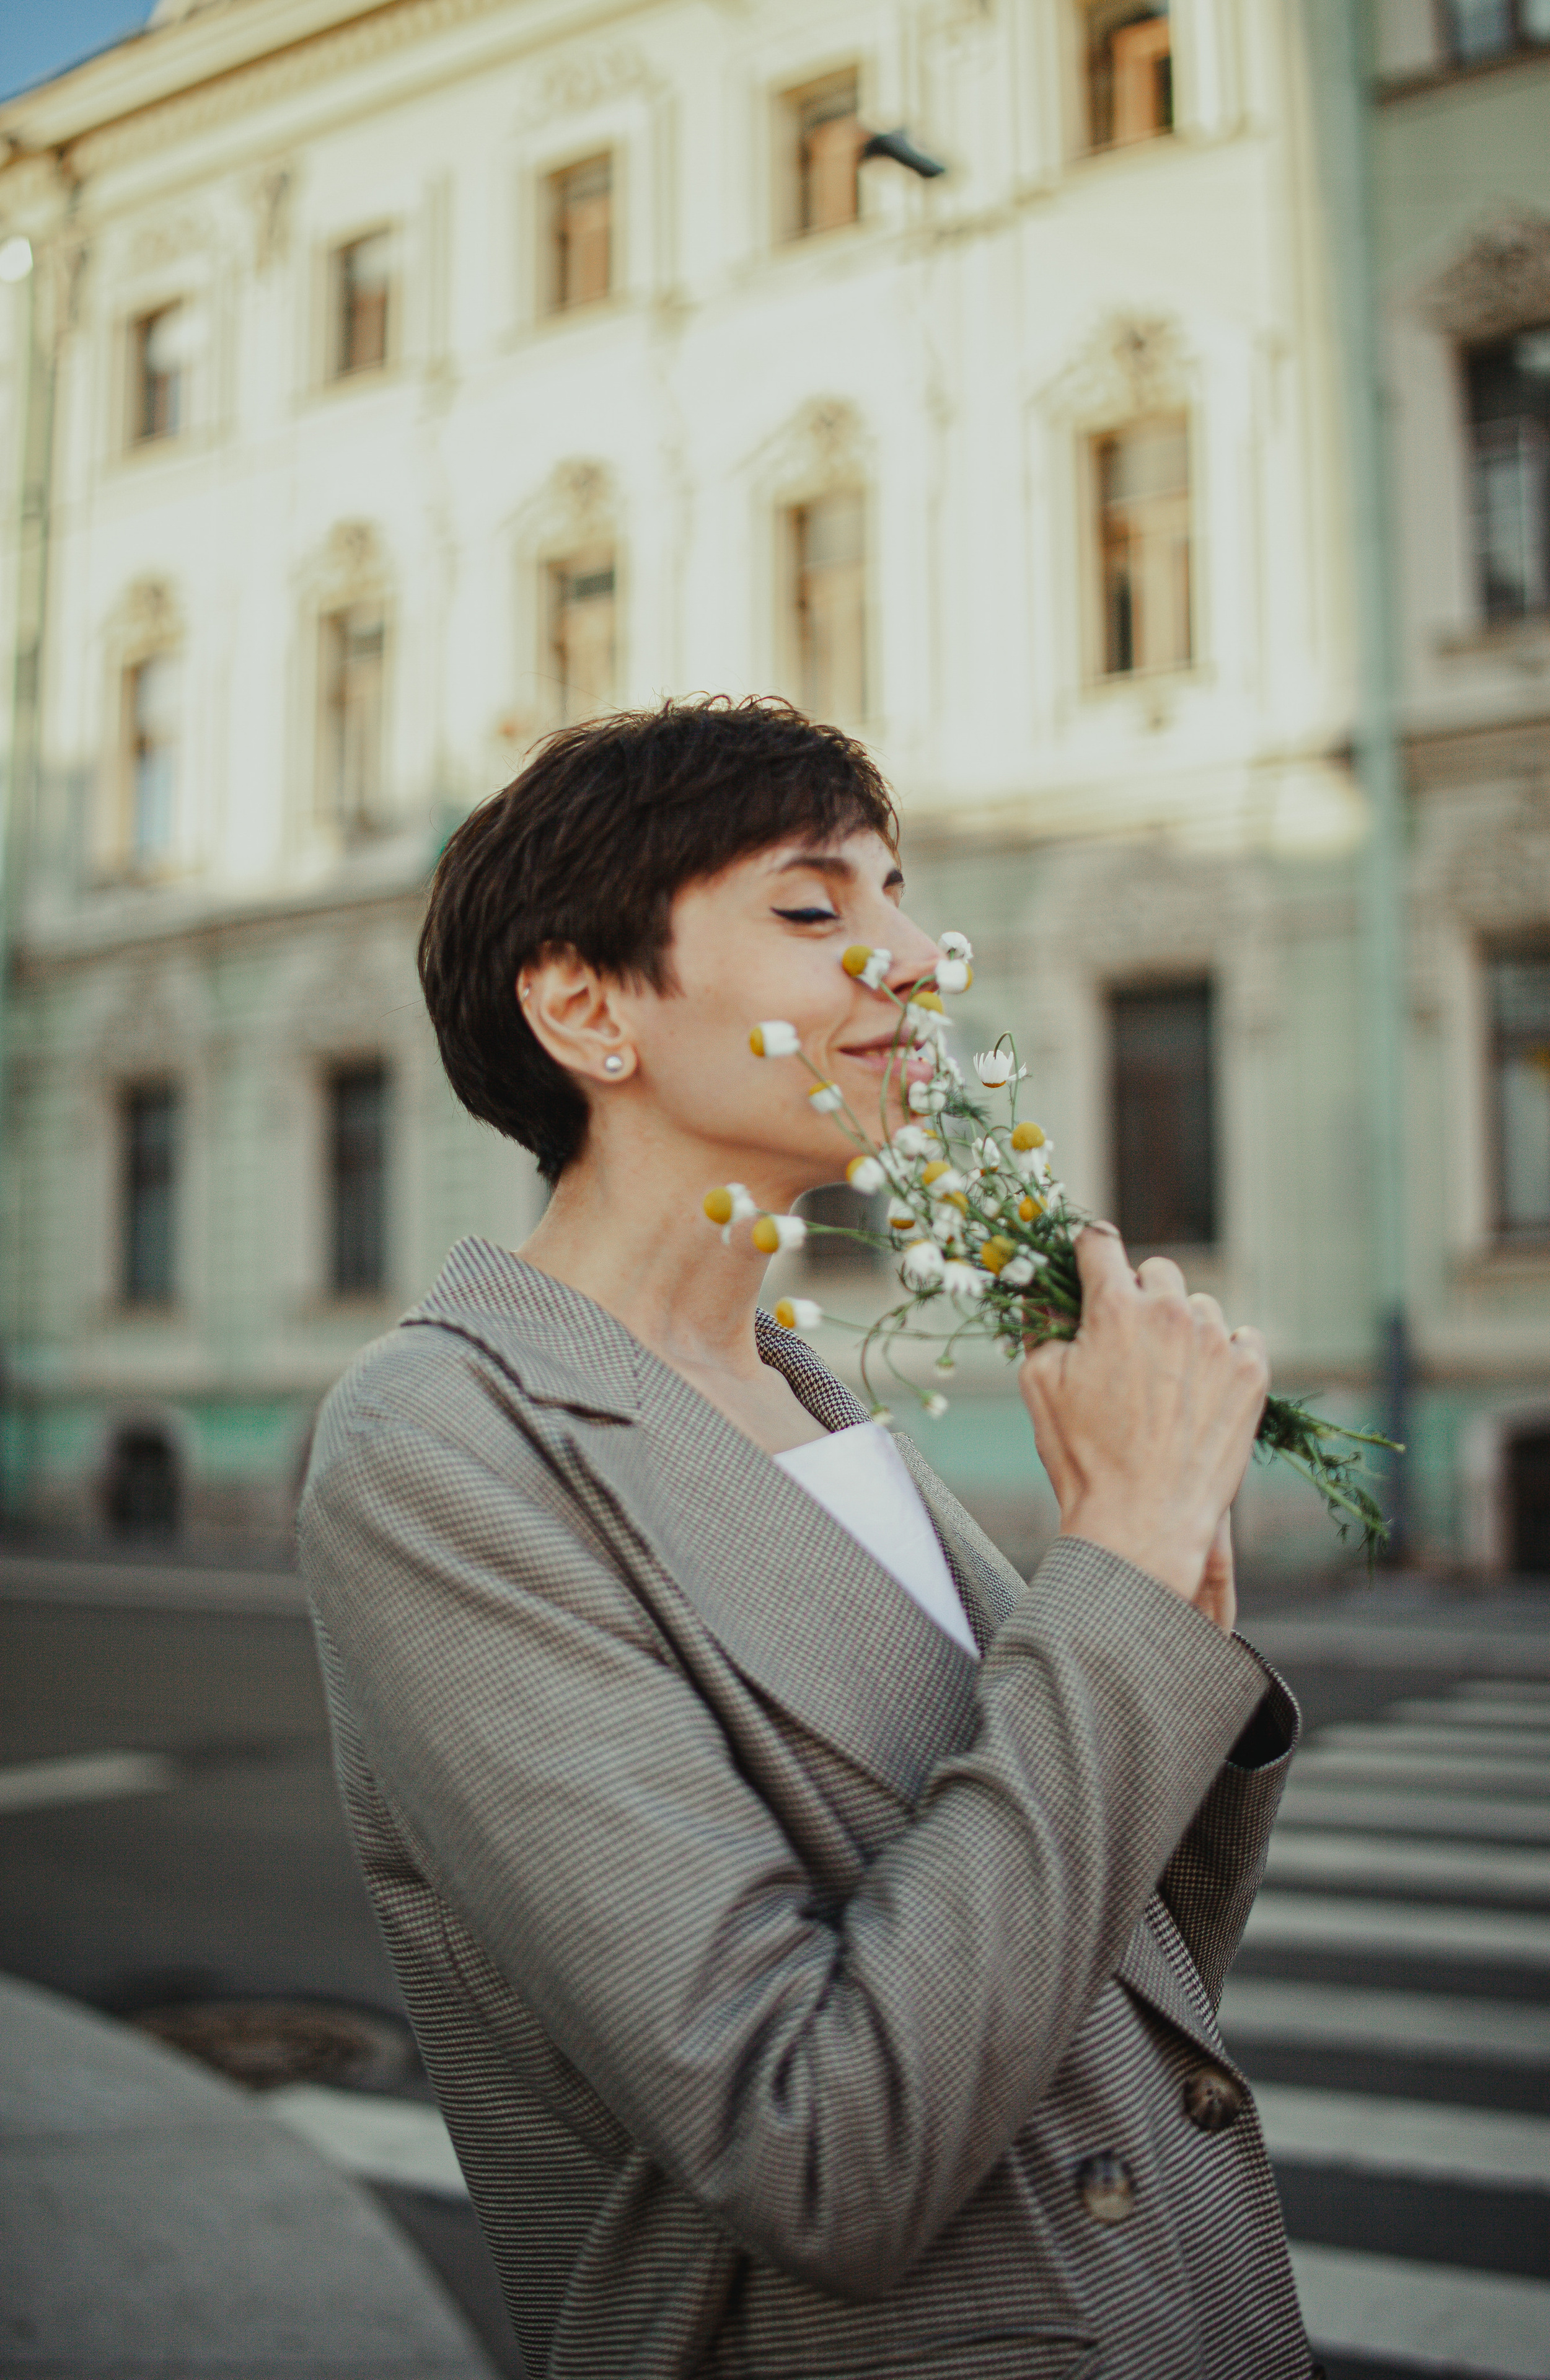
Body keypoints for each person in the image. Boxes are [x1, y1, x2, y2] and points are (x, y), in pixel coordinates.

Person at [299, 696, 1319, 2379]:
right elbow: (823, 2147)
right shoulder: (441, 1444)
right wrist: (1117, 1579)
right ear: (584, 1004)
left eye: (902, 896)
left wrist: (1160, 1593)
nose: (917, 957)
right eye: (813, 906)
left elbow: (1086, 1992)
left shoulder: (816, 1399)